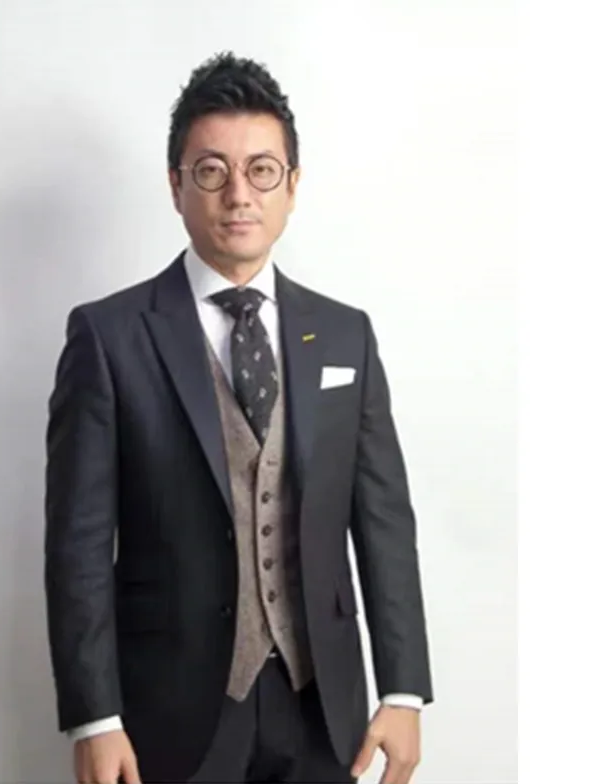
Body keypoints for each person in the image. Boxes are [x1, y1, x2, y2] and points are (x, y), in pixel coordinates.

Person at [44, 51, 433, 784]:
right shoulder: (108, 336)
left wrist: (404, 689)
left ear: (292, 186)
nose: (238, 195)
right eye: (211, 171)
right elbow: (78, 546)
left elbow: (383, 520)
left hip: (324, 706)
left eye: (261, 170)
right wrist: (95, 717)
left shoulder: (346, 334)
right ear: (175, 185)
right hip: (168, 709)